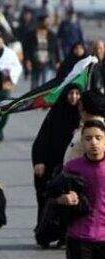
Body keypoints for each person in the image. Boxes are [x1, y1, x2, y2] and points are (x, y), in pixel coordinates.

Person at [55, 120, 105, 259]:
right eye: (88, 138)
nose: (93, 143)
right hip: (80, 237)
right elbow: (52, 193)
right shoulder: (73, 167)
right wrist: (63, 198)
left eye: (98, 138)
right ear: (82, 142)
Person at [32, 84, 82, 245]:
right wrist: (39, 161)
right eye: (71, 93)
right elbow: (41, 140)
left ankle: (65, 235)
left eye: (77, 93)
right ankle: (44, 234)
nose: (74, 97)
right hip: (50, 166)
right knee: (47, 200)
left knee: (71, 202)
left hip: (72, 168)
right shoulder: (55, 114)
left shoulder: (83, 119)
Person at [24, 14, 60, 90]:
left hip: (48, 62)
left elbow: (56, 49)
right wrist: (27, 60)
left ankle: (44, 98)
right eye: (45, 21)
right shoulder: (31, 35)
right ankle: (33, 97)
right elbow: (27, 49)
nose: (47, 23)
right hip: (35, 62)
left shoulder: (52, 35)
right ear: (40, 22)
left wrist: (58, 61)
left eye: (48, 21)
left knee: (46, 84)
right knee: (35, 84)